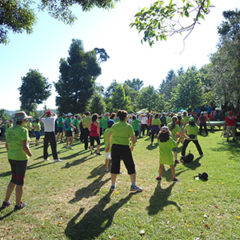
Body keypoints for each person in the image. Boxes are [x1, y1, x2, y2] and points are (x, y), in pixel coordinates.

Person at [1, 111, 32, 211]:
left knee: (14, 179)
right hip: (21, 158)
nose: (27, 121)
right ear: (22, 121)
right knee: (20, 182)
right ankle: (18, 204)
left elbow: (6, 145)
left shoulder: (9, 130)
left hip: (11, 156)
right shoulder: (23, 130)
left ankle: (6, 201)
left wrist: (12, 153)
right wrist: (30, 154)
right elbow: (24, 146)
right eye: (26, 119)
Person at [106, 110, 143, 192]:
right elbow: (133, 139)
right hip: (125, 148)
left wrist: (109, 144)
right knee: (130, 166)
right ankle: (133, 185)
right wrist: (132, 145)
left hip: (115, 148)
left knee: (114, 166)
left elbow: (109, 135)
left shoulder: (114, 126)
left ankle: (112, 185)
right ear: (126, 117)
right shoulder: (128, 126)